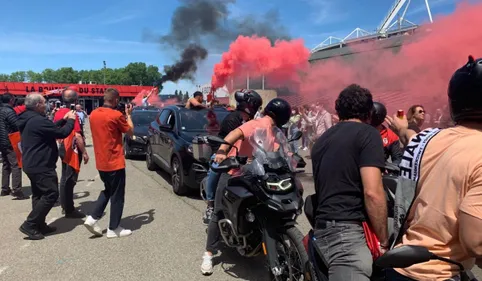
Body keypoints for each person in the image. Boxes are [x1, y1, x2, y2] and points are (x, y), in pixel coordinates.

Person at [384, 56, 482, 281]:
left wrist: (402, 129)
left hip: (400, 265)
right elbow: (475, 243)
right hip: (440, 274)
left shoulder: (430, 138)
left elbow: (411, 138)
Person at [201, 98, 291, 275]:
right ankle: (208, 254)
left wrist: (290, 158)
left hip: (258, 174)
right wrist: (222, 152)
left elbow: (281, 151)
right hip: (234, 172)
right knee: (219, 212)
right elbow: (234, 134)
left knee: (267, 206)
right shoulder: (256, 124)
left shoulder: (276, 132)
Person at [311, 84, 388, 281]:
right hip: (346, 239)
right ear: (369, 113)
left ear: (338, 110)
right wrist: (384, 239)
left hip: (323, 228)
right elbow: (373, 192)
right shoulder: (368, 134)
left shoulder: (322, 140)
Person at [17, 93, 76, 240]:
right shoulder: (37, 120)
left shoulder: (29, 118)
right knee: (51, 194)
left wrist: (63, 119)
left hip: (32, 163)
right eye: (44, 103)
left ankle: (39, 224)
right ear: (37, 105)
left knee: (38, 194)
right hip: (40, 164)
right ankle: (30, 224)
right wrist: (71, 121)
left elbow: (50, 128)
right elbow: (61, 133)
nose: (46, 105)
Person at [202, 89, 262, 225]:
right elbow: (232, 141)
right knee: (215, 169)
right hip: (224, 151)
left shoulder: (253, 120)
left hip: (243, 154)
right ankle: (211, 205)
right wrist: (221, 153)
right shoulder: (233, 119)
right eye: (254, 105)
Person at [84, 88, 134, 239]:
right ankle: (113, 228)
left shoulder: (93, 114)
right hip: (114, 161)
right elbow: (130, 131)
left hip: (101, 160)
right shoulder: (117, 115)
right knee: (117, 195)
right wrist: (129, 115)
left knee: (108, 190)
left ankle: (92, 218)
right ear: (116, 100)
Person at [53, 89, 89, 218]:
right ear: (76, 100)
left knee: (64, 178)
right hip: (72, 148)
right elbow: (78, 135)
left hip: (62, 147)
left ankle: (65, 205)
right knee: (70, 179)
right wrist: (84, 152)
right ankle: (69, 209)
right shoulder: (73, 114)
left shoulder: (58, 113)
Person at [0, 93, 28, 199]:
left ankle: (5, 188)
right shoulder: (9, 111)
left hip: (2, 141)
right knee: (16, 165)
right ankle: (17, 190)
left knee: (6, 165)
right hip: (9, 140)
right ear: (11, 100)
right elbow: (16, 125)